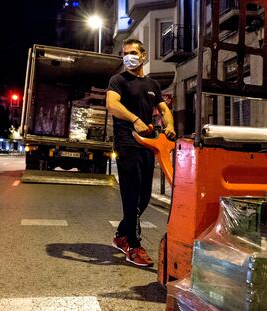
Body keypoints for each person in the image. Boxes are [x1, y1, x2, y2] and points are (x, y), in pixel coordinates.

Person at [106, 38, 175, 267]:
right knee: (132, 193)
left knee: (144, 197)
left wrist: (170, 127)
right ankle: (134, 246)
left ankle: (121, 234)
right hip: (127, 141)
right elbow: (112, 105)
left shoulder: (153, 85)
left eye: (133, 52)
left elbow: (164, 109)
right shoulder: (118, 81)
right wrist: (134, 119)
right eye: (125, 53)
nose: (128, 56)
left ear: (143, 55)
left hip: (148, 143)